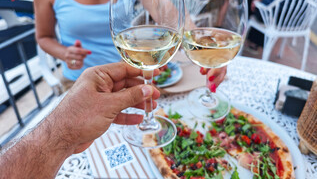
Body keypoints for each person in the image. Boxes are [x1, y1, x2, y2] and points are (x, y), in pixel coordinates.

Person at [0, 62, 226, 178]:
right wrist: (62, 132)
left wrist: (210, 46)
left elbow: (170, 12)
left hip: (126, 76)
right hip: (91, 80)